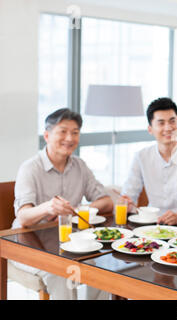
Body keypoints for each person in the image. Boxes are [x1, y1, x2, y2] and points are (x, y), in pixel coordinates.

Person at [13, 108, 113, 299]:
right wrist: (47, 207)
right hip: (28, 243)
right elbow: (23, 217)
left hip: (69, 242)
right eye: (63, 131)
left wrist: (81, 210)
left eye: (75, 132)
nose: (70, 138)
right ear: (47, 135)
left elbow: (106, 201)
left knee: (105, 265)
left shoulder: (80, 166)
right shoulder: (30, 168)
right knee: (63, 272)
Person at [121, 97, 177, 225]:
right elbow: (129, 195)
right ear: (150, 129)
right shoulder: (141, 157)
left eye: (172, 121)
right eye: (161, 123)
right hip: (151, 224)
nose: (168, 128)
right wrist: (125, 202)